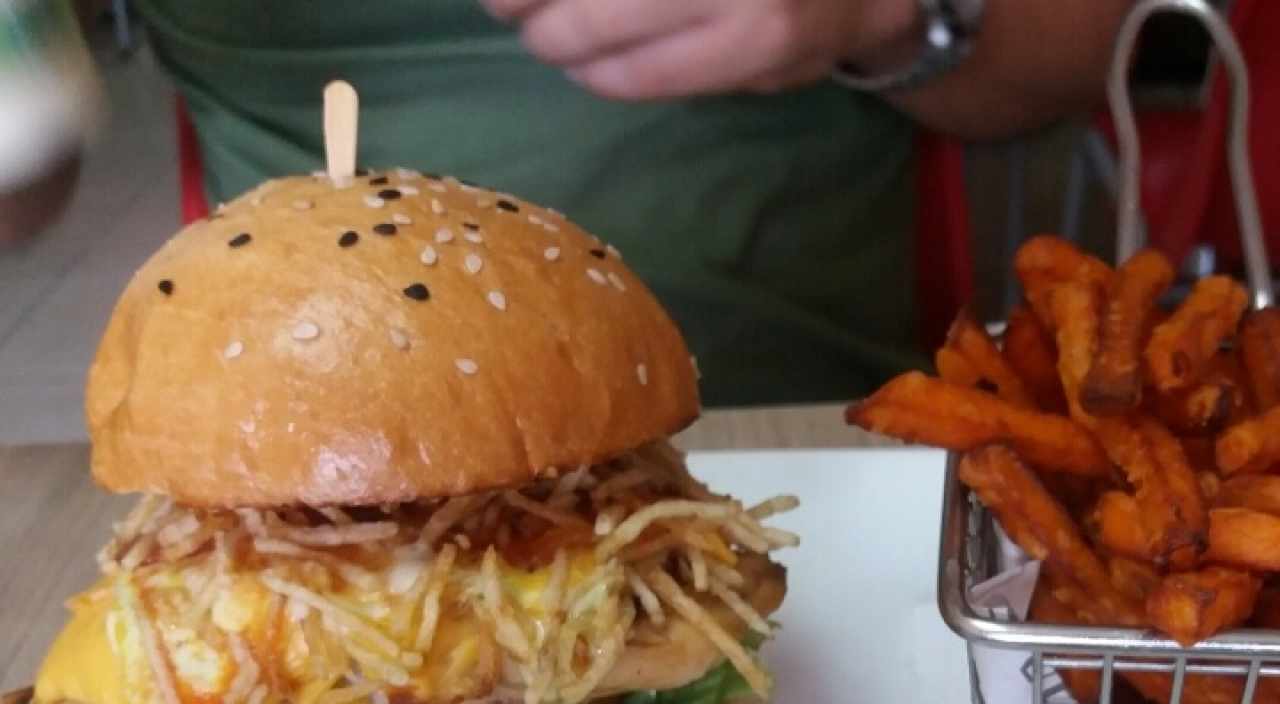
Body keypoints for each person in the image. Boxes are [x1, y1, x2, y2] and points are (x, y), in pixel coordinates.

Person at [1, 0, 1131, 405]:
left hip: (797, 422)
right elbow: (22, 178)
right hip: (299, 448)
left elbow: (1092, 52)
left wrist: (882, 11)